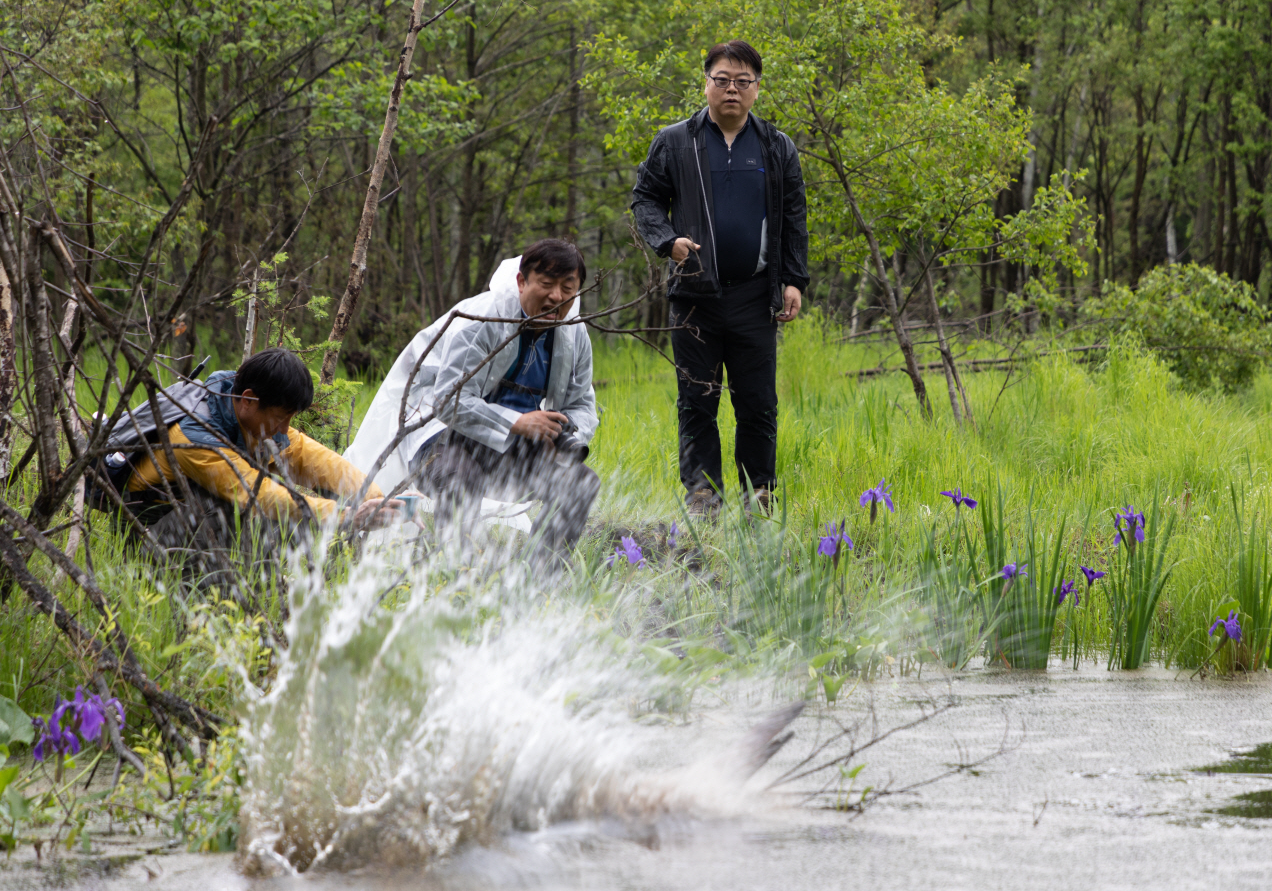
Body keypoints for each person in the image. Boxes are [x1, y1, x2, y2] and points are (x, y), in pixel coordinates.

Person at [630, 38, 809, 516]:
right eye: (723, 79)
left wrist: (794, 279)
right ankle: (703, 494)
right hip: (694, 295)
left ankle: (759, 494)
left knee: (758, 402)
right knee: (696, 399)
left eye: (743, 81)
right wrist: (667, 241)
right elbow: (645, 198)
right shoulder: (675, 141)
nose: (732, 89)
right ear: (706, 83)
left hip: (756, 294)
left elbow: (794, 216)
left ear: (757, 88)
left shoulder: (777, 146)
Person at [413, 238, 600, 567]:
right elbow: (446, 399)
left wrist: (566, 432)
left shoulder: (574, 333)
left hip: (513, 451)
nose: (556, 297)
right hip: (443, 443)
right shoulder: (484, 320)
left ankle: (539, 576)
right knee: (460, 477)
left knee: (580, 483)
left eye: (567, 288)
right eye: (546, 284)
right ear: (521, 281)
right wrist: (516, 422)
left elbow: (583, 404)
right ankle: (456, 573)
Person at [116, 348, 396, 567]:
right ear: (248, 400)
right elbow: (259, 496)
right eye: (280, 417)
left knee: (299, 517)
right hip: (143, 536)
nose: (284, 428)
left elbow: (310, 458)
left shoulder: (243, 414)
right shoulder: (192, 437)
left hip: (183, 523)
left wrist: (379, 499)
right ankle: (218, 607)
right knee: (243, 512)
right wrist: (345, 516)